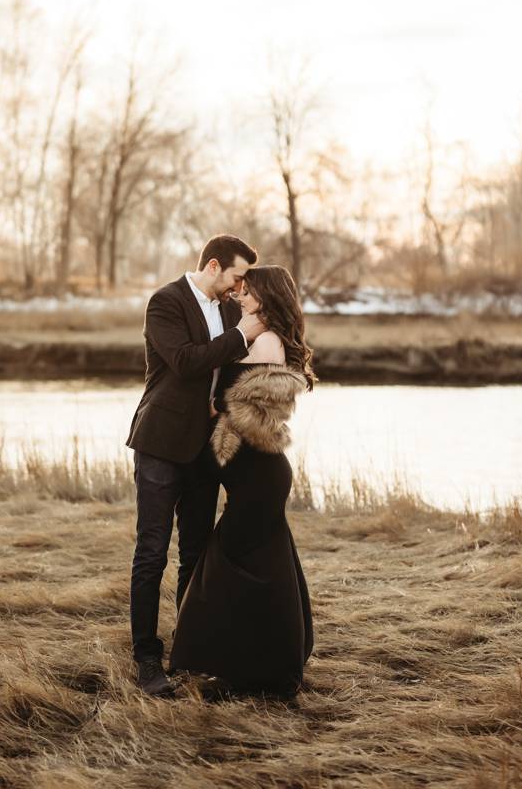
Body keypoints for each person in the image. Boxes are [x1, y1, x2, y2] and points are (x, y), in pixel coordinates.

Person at [168, 263, 315, 699]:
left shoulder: (266, 341)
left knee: (233, 562)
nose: (241, 297)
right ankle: (256, 661)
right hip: (256, 472)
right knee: (263, 562)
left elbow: (251, 413)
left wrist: (217, 404)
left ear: (266, 298)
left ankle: (259, 666)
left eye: (248, 292)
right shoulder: (260, 337)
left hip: (258, 473)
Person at [126, 234, 264, 696]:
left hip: (205, 450)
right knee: (151, 554)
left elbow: (231, 371)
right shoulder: (164, 302)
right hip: (162, 444)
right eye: (237, 276)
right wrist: (244, 334)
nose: (239, 287)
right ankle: (147, 659)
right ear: (212, 266)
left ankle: (188, 651)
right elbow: (185, 363)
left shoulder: (229, 312)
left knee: (196, 554)